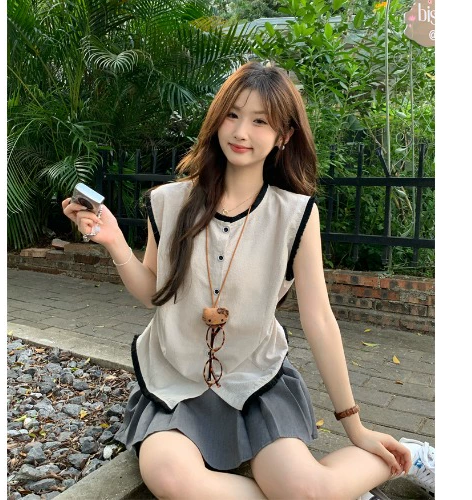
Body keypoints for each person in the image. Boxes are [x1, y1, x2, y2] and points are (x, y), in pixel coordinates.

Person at [62, 62, 435, 499]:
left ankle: (414, 456)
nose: (241, 132)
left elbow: (319, 319)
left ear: (284, 135)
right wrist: (113, 242)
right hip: (175, 381)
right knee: (169, 477)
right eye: (233, 115)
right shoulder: (167, 202)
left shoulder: (295, 214)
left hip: (254, 379)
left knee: (305, 490)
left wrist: (354, 425)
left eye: (260, 121)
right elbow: (152, 294)